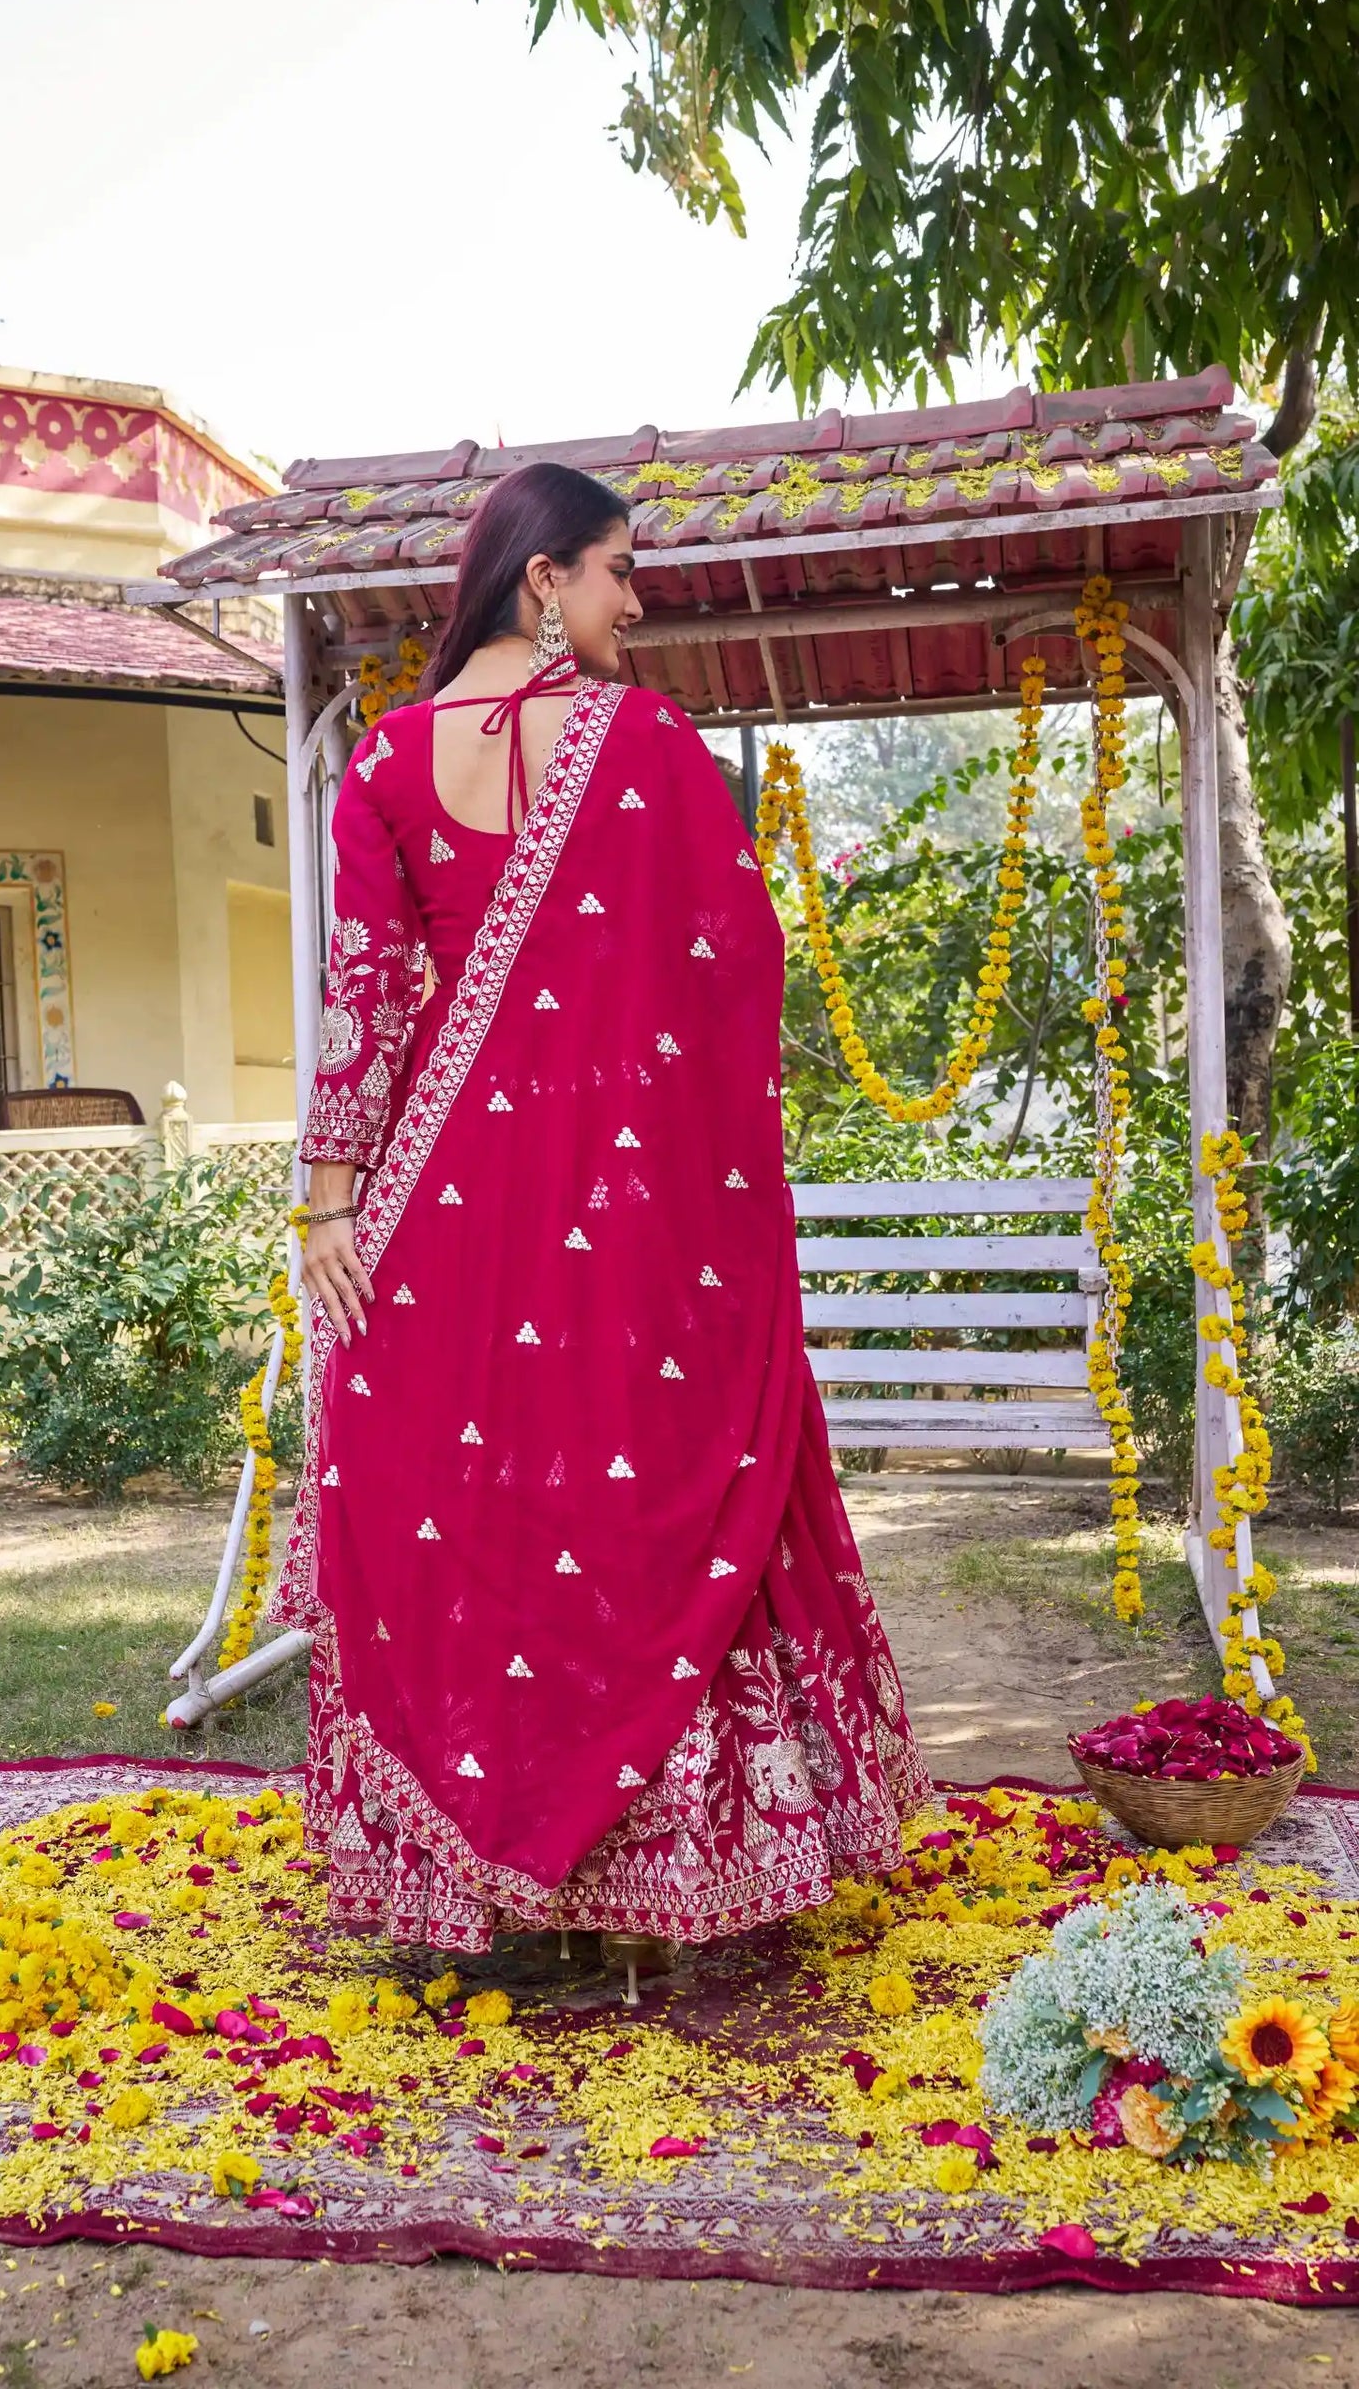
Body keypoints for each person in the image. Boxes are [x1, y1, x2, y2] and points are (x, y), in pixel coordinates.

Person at [267, 461, 930, 1960]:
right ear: (540, 582)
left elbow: (361, 999)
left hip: (436, 1222)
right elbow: (730, 964)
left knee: (477, 1508)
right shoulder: (648, 745)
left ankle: (495, 1881)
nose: (636, 600)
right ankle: (639, 1889)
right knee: (632, 1493)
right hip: (620, 1231)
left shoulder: (384, 763)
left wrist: (327, 1217)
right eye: (619, 569)